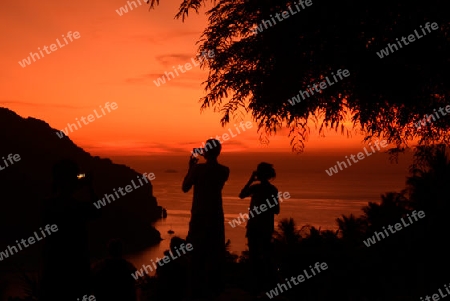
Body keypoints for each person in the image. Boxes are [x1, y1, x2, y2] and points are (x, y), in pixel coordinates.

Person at [40, 159, 100, 301]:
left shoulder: (47, 205)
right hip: (76, 272)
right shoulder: (77, 207)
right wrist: (89, 187)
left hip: (52, 271)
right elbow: (97, 212)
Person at [182, 138, 230, 299]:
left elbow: (185, 188)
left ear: (206, 152)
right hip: (216, 215)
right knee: (214, 252)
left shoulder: (198, 170)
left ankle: (196, 291)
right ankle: (214, 289)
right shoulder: (225, 170)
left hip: (199, 215)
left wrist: (191, 168)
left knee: (196, 255)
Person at [239, 162, 280, 295]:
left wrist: (251, 180)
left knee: (255, 256)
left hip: (256, 226)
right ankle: (265, 285)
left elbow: (242, 194)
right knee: (265, 256)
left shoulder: (257, 189)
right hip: (264, 227)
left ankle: (257, 285)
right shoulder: (272, 190)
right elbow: (276, 209)